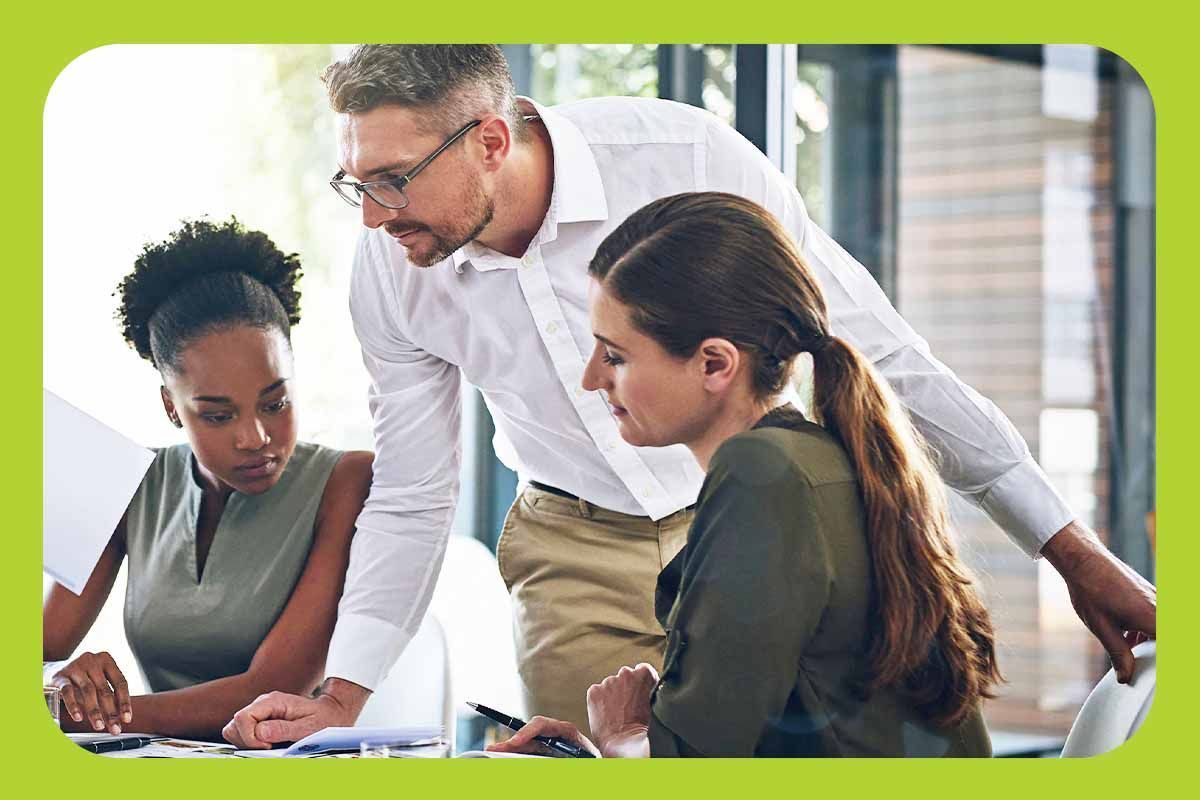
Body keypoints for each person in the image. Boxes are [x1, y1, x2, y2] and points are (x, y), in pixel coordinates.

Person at [222, 45, 1154, 749]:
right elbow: (417, 485)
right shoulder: (391, 269)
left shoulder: (683, 158)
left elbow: (880, 354)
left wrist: (1069, 550)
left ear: (491, 141)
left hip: (747, 529)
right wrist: (342, 698)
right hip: (574, 542)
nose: (375, 217)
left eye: (393, 180)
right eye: (357, 182)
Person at [488, 191, 1000, 757]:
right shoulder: (816, 458)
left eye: (615, 356)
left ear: (714, 363)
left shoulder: (760, 476)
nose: (591, 379)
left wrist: (620, 735)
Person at [42, 219, 373, 741]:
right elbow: (40, 648)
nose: (256, 437)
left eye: (276, 402)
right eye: (218, 415)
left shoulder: (346, 480)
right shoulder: (127, 482)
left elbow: (272, 688)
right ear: (172, 406)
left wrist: (98, 716)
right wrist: (58, 685)